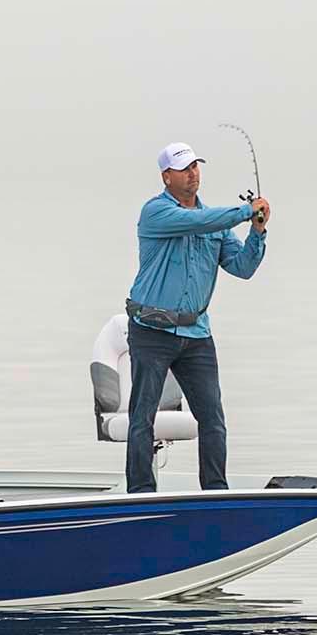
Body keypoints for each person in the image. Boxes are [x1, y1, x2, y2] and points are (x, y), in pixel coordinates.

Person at [124, 142, 270, 493]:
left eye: (195, 166)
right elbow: (196, 221)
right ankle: (141, 493)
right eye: (184, 168)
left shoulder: (218, 223)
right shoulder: (156, 212)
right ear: (166, 177)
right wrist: (244, 211)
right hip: (151, 331)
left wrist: (258, 230)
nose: (192, 173)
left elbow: (243, 268)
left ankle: (216, 492)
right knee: (142, 418)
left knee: (213, 420)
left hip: (196, 335)